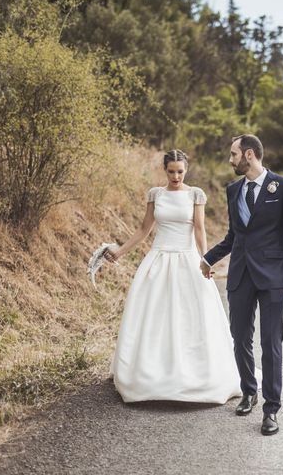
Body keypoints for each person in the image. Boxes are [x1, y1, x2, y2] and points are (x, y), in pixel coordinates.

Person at [104, 149, 241, 404]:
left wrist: (206, 259)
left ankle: (193, 372)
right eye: (171, 171)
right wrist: (120, 252)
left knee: (190, 314)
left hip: (188, 260)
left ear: (186, 169)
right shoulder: (156, 195)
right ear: (164, 170)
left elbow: (199, 230)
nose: (176, 176)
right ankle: (148, 371)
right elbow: (144, 229)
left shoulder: (195, 195)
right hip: (158, 260)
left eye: (180, 171)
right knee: (153, 314)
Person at [200, 134, 283, 436]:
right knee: (240, 337)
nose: (230, 160)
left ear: (249, 155)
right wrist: (209, 259)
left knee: (271, 344)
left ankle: (271, 409)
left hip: (273, 278)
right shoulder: (233, 190)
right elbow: (235, 236)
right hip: (240, 275)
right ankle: (249, 391)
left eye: (233, 154)